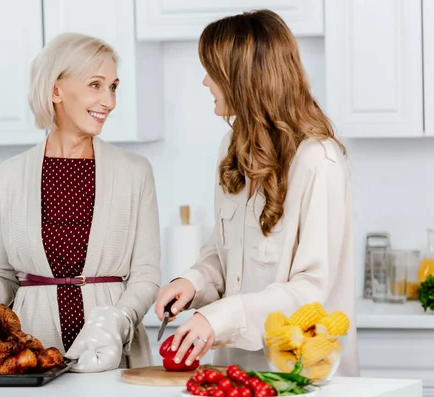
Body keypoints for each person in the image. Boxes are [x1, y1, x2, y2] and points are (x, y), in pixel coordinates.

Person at [154, 10, 359, 376]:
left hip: (302, 377)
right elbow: (224, 254)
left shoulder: (318, 161)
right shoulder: (231, 147)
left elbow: (312, 290)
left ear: (243, 79)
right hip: (234, 375)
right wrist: (193, 282)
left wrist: (218, 318)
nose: (205, 82)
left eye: (212, 72)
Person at [0, 32, 161, 372]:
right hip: (33, 354)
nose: (109, 101)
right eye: (95, 85)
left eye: (113, 87)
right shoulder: (8, 177)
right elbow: (7, 280)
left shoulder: (135, 172)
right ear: (56, 90)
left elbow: (146, 276)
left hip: (114, 352)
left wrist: (116, 321)